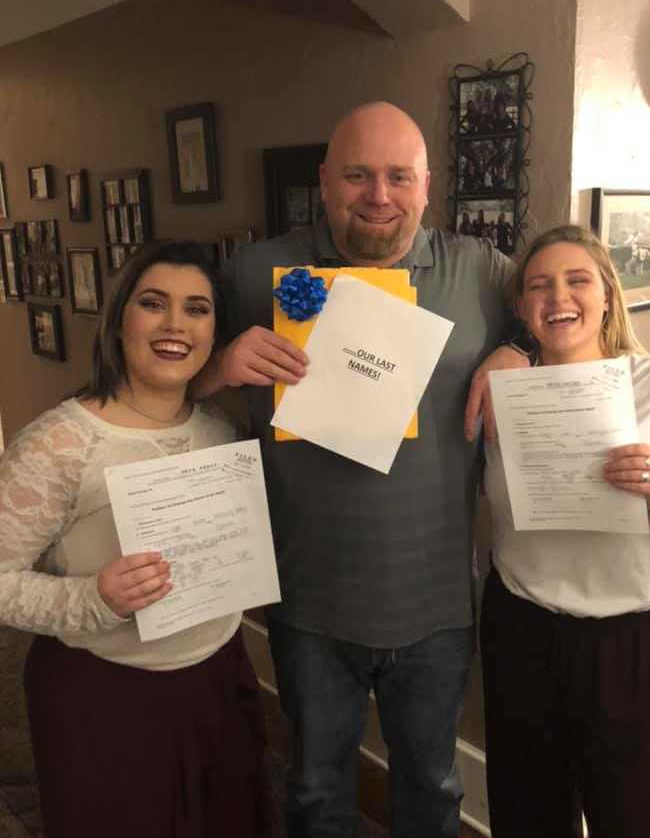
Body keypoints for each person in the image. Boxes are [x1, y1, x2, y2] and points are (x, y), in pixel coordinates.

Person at [194, 101, 516, 838]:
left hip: (434, 607)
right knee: (315, 791)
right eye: (358, 175)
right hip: (309, 606)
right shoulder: (254, 272)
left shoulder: (482, 274)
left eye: (399, 176)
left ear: (427, 185)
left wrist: (520, 349)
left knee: (433, 792)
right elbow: (152, 368)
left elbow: (569, 324)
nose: (379, 194)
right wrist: (217, 368)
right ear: (324, 181)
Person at [0, 241, 269, 838]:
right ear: (120, 318)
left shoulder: (222, 432)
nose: (176, 324)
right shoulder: (60, 443)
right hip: (103, 697)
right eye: (154, 303)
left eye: (197, 309)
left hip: (217, 680)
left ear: (214, 331)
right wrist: (93, 599)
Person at [480, 225, 650, 838]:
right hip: (521, 630)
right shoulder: (498, 393)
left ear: (607, 295)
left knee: (631, 819)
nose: (558, 297)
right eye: (539, 285)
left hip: (628, 644)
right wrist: (502, 355)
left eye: (576, 280)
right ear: (522, 308)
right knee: (526, 815)